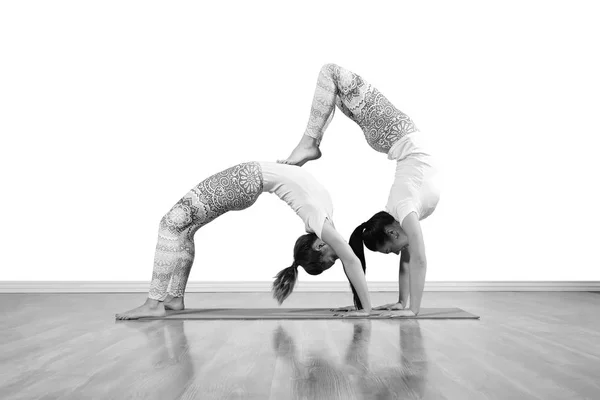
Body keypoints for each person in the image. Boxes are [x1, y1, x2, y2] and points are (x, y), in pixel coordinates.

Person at [279, 64, 440, 316]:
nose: (397, 253)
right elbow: (409, 260)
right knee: (334, 89)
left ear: (391, 231)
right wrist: (401, 303)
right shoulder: (403, 214)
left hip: (395, 132)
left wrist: (412, 310)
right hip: (391, 136)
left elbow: (417, 259)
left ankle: (310, 144)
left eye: (390, 249)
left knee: (331, 73)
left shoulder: (404, 211)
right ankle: (310, 143)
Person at [115, 161, 373, 320]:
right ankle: (172, 299)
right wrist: (364, 307)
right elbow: (351, 261)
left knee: (171, 224)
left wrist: (363, 307)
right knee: (182, 229)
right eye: (333, 259)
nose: (339, 254)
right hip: (248, 180)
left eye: (332, 259)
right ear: (319, 245)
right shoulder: (322, 220)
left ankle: (155, 303)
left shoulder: (320, 220)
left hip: (245, 179)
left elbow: (350, 261)